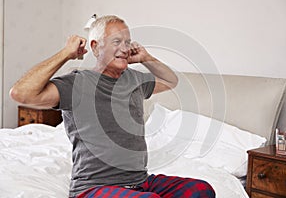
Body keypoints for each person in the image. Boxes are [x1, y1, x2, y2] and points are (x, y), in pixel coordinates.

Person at [10, 15, 215, 198]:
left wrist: (146, 58)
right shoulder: (77, 83)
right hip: (93, 187)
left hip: (140, 182)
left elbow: (171, 81)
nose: (125, 48)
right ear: (95, 46)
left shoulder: (135, 80)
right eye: (116, 41)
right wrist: (65, 53)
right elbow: (20, 93)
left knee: (202, 190)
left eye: (127, 42)